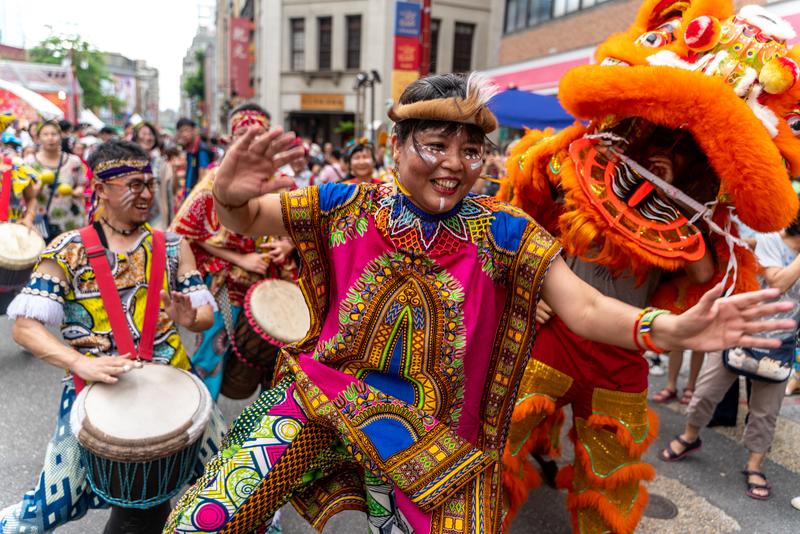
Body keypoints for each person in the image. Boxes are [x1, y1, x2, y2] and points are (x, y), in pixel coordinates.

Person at [164, 73, 793, 533]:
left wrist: (673, 329)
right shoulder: (341, 204)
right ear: (397, 145)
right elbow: (245, 216)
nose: (454, 165)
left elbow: (585, 309)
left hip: (440, 442)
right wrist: (227, 191)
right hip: (321, 397)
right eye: (435, 146)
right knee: (204, 520)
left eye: (470, 151)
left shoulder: (504, 232)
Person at [0, 140, 223, 534]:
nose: (147, 193)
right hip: (94, 392)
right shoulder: (67, 250)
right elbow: (24, 327)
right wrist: (79, 362)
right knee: (47, 507)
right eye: (133, 184)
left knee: (233, 489)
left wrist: (192, 318)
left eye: (150, 183)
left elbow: (204, 314)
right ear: (100, 188)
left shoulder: (172, 247)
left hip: (176, 388)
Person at [659, 212, 800, 500]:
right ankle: (689, 436)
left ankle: (754, 466)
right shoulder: (771, 240)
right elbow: (777, 283)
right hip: (738, 330)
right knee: (707, 391)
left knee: (765, 412)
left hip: (781, 342)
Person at [171, 103, 297, 400]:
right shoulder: (216, 180)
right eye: (244, 135)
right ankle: (203, 431)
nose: (252, 142)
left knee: (278, 365)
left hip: (274, 281)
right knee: (209, 359)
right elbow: (182, 234)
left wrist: (288, 244)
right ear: (230, 139)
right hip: (227, 283)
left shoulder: (282, 182)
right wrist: (240, 258)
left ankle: (266, 435)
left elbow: (305, 226)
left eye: (260, 135)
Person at [25, 121, 86, 241]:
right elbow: (27, 196)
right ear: (38, 138)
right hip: (41, 222)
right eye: (45, 134)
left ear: (61, 136)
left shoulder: (74, 161)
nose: (50, 138)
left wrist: (75, 192)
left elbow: (81, 185)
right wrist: (40, 185)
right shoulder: (29, 163)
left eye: (54, 134)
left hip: (70, 220)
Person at [132, 121, 174, 229]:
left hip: (157, 221)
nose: (147, 137)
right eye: (144, 133)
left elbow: (169, 195)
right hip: (132, 219)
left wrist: (170, 222)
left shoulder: (162, 165)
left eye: (151, 134)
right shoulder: (128, 162)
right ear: (136, 137)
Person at [176, 118, 213, 195]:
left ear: (194, 130)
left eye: (186, 130)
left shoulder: (202, 150)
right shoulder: (190, 150)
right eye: (181, 131)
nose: (183, 134)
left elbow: (202, 178)